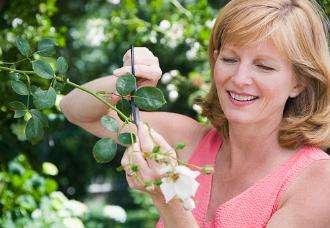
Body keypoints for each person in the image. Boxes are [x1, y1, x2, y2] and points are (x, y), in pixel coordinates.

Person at [60, 0, 330, 227]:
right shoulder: (189, 138)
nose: (240, 78)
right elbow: (76, 110)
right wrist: (128, 80)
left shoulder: (318, 180)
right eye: (230, 59)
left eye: (264, 67)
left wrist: (167, 196)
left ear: (299, 82)